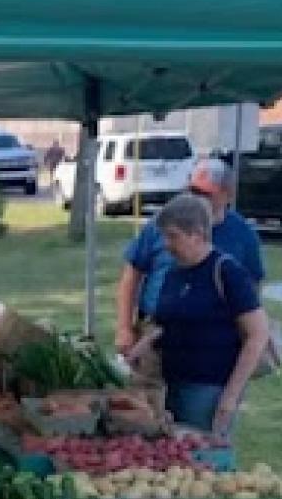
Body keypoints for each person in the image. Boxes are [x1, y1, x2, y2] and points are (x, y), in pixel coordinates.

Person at [128, 195, 270, 436]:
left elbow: (258, 335)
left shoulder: (226, 272)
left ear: (197, 234)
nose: (166, 244)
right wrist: (140, 347)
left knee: (203, 463)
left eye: (173, 236)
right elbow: (167, 324)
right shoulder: (174, 272)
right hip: (169, 385)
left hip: (209, 391)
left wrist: (230, 397)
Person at [115, 156, 265, 357]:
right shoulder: (162, 223)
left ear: (227, 195)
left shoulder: (243, 234)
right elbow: (131, 275)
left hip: (211, 337)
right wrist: (124, 327)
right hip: (154, 329)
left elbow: (252, 288)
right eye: (192, 190)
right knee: (147, 386)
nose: (196, 198)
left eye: (205, 193)